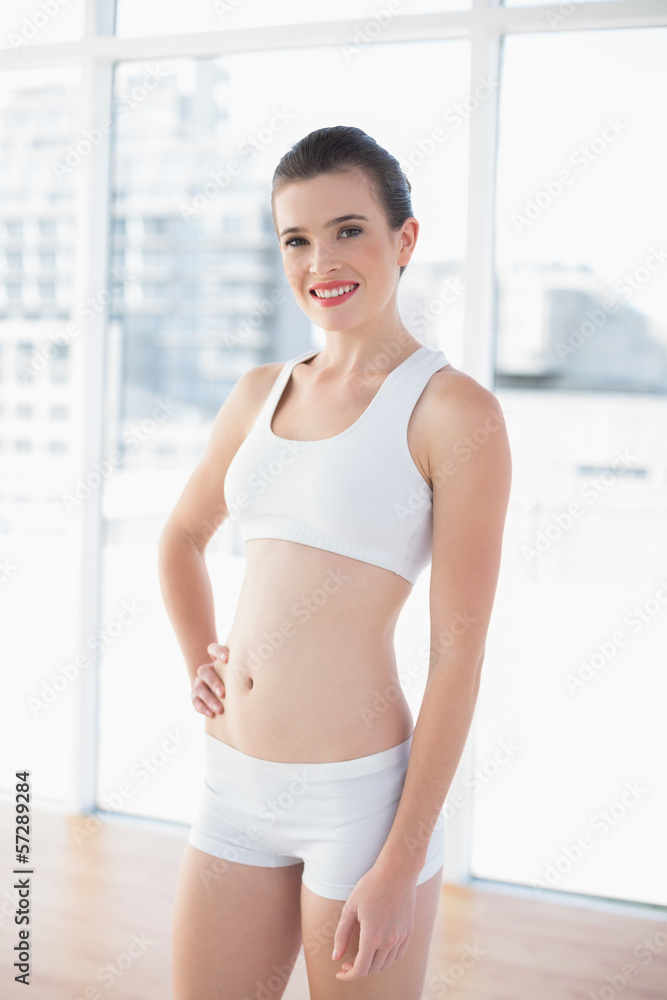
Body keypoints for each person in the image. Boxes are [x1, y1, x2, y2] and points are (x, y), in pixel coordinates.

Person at [158, 124, 512, 999]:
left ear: (405, 239)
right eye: (296, 237)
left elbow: (458, 655)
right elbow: (180, 538)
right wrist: (198, 657)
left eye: (348, 229)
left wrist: (400, 860)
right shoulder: (257, 392)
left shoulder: (452, 413)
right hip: (232, 783)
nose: (322, 258)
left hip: (359, 806)